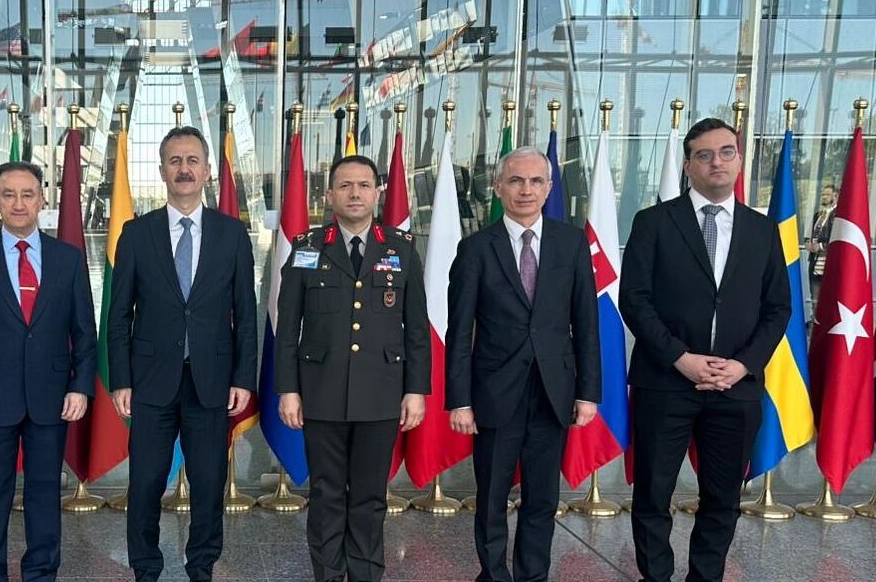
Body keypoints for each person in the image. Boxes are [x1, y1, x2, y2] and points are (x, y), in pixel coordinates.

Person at [620, 118, 791, 582]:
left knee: (723, 498)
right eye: (704, 154)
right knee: (653, 495)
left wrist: (742, 365)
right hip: (665, 382)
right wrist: (681, 358)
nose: (717, 161)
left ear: (739, 160)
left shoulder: (763, 230)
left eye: (726, 152)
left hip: (736, 387)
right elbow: (634, 300)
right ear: (688, 165)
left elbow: (778, 308)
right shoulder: (653, 222)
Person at [107, 126, 258, 582]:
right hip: (150, 382)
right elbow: (119, 315)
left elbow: (246, 314)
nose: (184, 169)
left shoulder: (232, 234)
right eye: (175, 161)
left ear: (207, 170)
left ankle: (202, 567)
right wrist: (120, 379)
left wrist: (243, 378)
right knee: (145, 483)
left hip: (212, 382)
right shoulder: (137, 234)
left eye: (193, 160)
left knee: (209, 484)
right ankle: (145, 568)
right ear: (162, 171)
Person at [445, 146, 600, 582]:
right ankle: (493, 574)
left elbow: (586, 322)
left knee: (543, 498)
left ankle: (533, 575)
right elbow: (459, 330)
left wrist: (588, 392)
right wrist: (459, 400)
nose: (526, 190)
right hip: (495, 393)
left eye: (535, 181)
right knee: (492, 496)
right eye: (515, 181)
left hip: (553, 392)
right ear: (498, 188)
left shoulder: (572, 243)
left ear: (549, 188)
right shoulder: (475, 249)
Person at [276, 154, 431, 582]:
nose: (355, 193)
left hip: (381, 394)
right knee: (326, 495)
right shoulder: (308, 248)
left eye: (364, 185)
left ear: (378, 193)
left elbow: (417, 328)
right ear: (329, 195)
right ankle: (327, 575)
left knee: (369, 497)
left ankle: (365, 575)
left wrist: (415, 390)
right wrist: (288, 389)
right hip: (320, 393)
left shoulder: (401, 248)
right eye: (345, 186)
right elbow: (287, 327)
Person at [0, 161, 97, 582]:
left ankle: (41, 573)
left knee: (44, 494)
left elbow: (85, 331)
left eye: (27, 194)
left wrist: (81, 386)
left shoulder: (68, 259)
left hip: (52, 397)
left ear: (42, 199)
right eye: (8, 194)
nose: (18, 203)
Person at [806, 184, 835, 306]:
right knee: (815, 300)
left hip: (829, 264)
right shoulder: (818, 215)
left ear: (835, 196)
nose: (824, 197)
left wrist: (821, 246)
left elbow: (836, 239)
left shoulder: (838, 215)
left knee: (829, 301)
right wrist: (808, 243)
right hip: (815, 264)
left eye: (827, 194)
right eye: (823, 194)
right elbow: (810, 234)